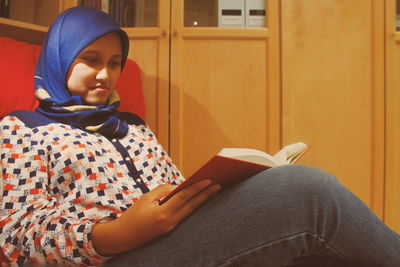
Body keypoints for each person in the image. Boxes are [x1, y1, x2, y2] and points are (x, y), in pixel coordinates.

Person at [0, 6, 399, 267]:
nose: (106, 75)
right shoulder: (22, 128)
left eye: (115, 62)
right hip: (109, 258)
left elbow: (175, 188)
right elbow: (14, 231)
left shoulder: (133, 125)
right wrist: (112, 235)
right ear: (59, 57)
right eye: (91, 60)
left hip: (171, 243)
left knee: (314, 249)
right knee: (305, 191)